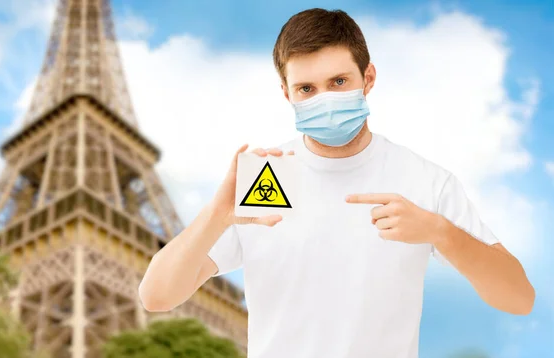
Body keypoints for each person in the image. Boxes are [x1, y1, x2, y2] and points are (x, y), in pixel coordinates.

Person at [138, 8, 535, 358]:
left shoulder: (426, 181)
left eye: (339, 82)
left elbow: (518, 298)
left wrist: (441, 232)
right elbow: (156, 296)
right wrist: (216, 215)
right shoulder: (264, 178)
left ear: (369, 77)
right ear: (286, 94)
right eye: (306, 89)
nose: (324, 99)